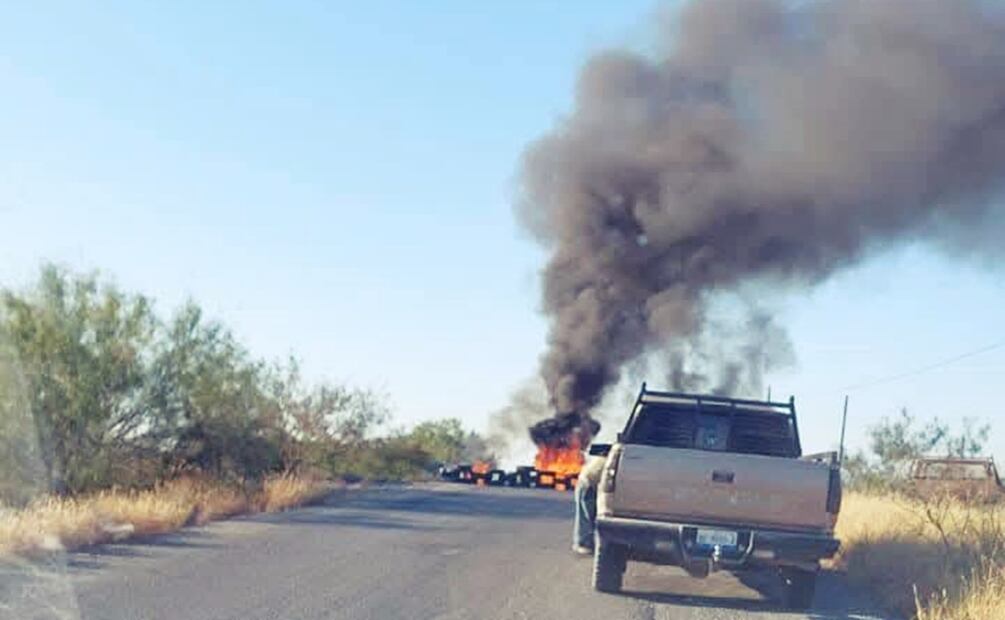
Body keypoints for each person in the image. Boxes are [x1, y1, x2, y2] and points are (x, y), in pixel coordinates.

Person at [573, 448, 606, 555]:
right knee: (588, 516)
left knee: (588, 515)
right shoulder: (611, 462)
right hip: (588, 484)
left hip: (587, 480)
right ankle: (584, 543)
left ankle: (586, 542)